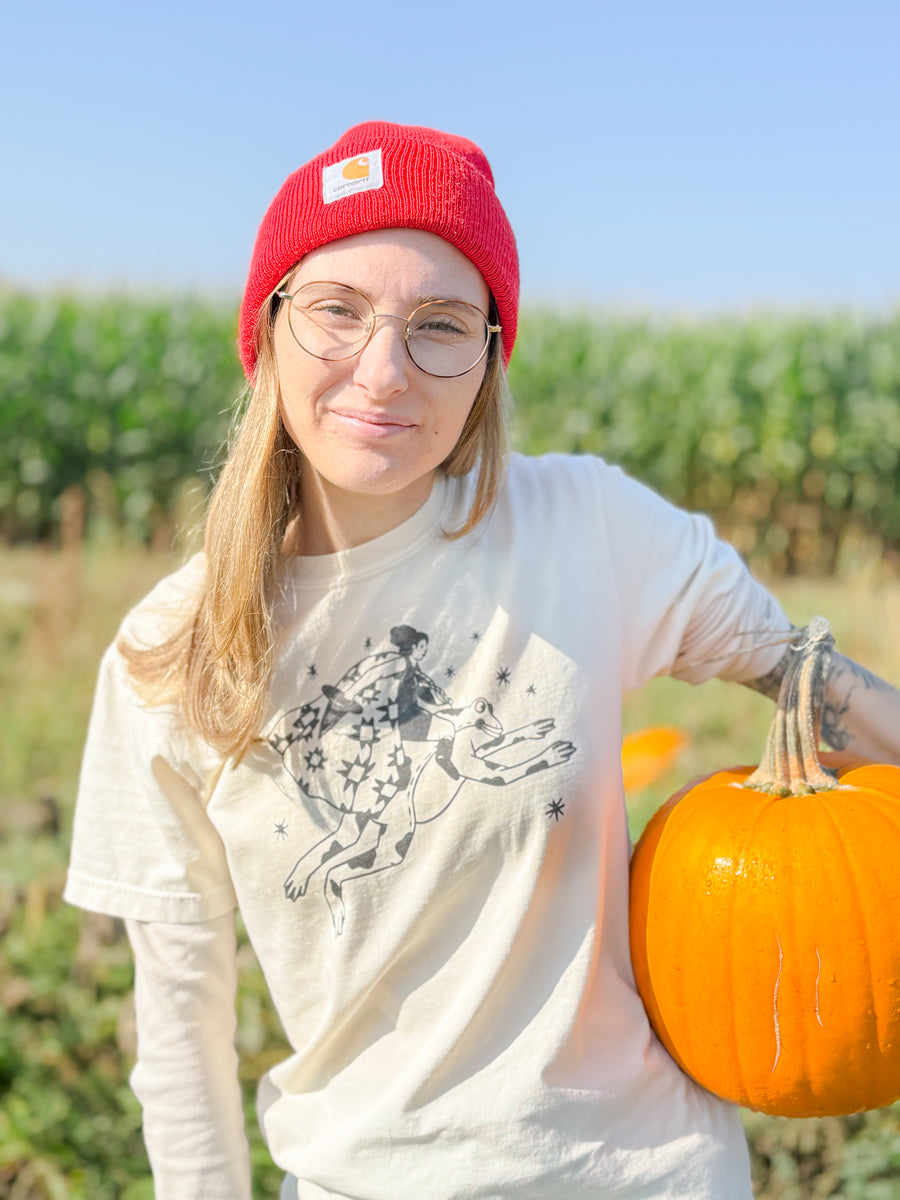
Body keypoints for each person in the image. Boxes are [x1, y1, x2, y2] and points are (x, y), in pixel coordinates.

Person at [64, 121, 900, 1199]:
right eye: (337, 311)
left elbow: (807, 678)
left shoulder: (586, 526)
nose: (386, 369)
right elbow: (179, 1022)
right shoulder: (168, 652)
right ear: (267, 331)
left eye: (440, 326)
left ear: (489, 361)